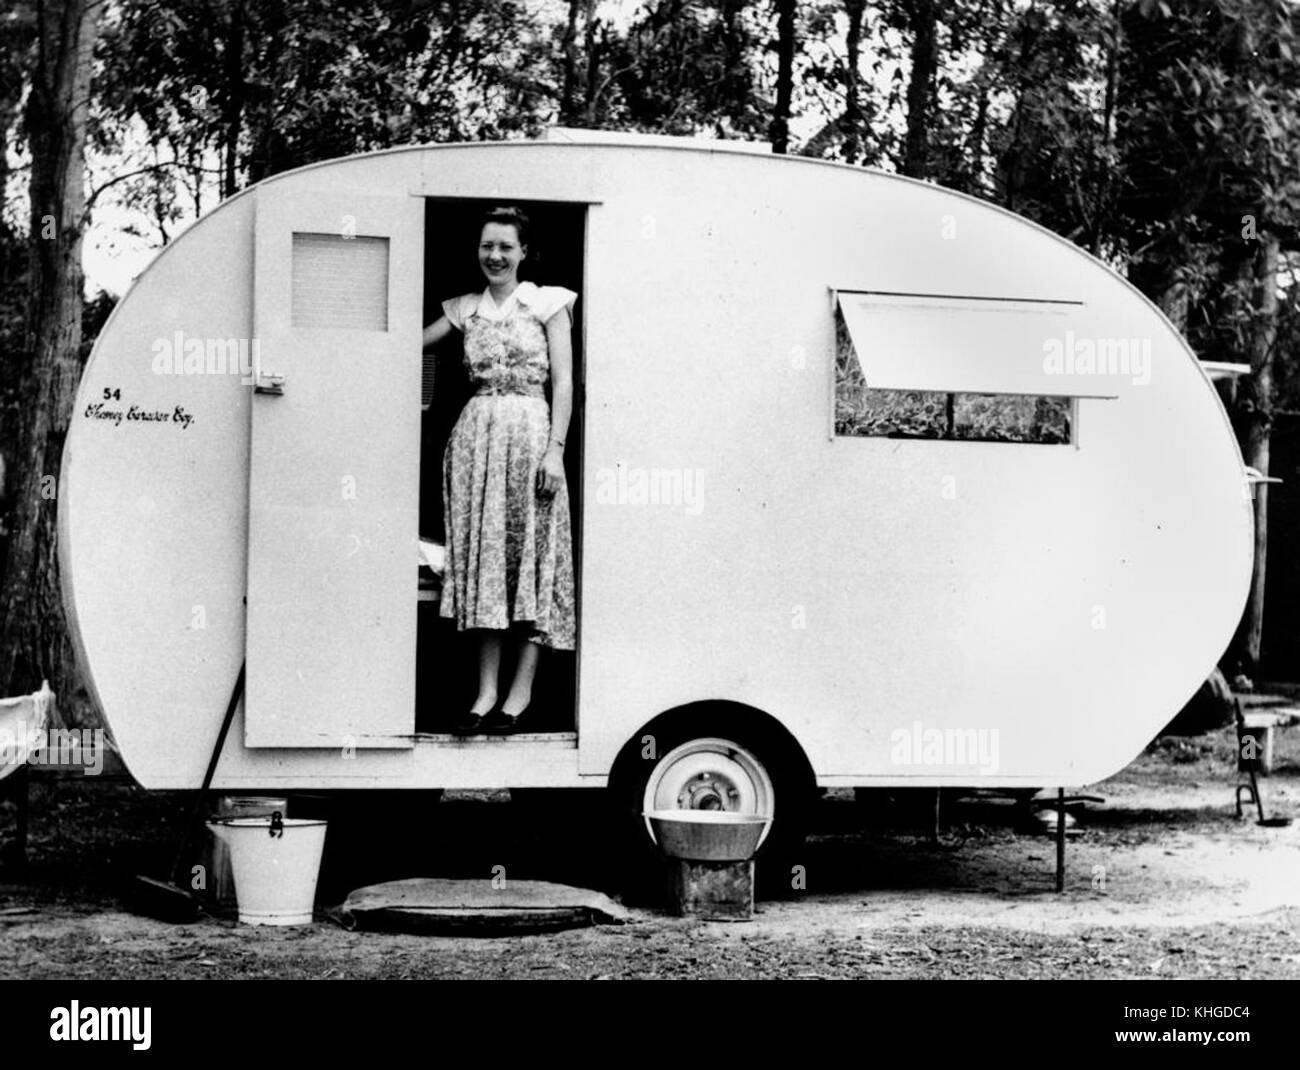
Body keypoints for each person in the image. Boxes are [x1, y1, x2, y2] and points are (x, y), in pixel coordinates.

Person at [422, 207, 577, 736]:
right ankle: (485, 691)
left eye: (506, 247)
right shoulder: (466, 309)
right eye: (487, 246)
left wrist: (555, 449)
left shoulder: (548, 303)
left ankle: (520, 692)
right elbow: (405, 345)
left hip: (532, 436)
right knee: (487, 562)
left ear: (524, 252)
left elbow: (564, 383)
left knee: (531, 556)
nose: (495, 256)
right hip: (476, 442)